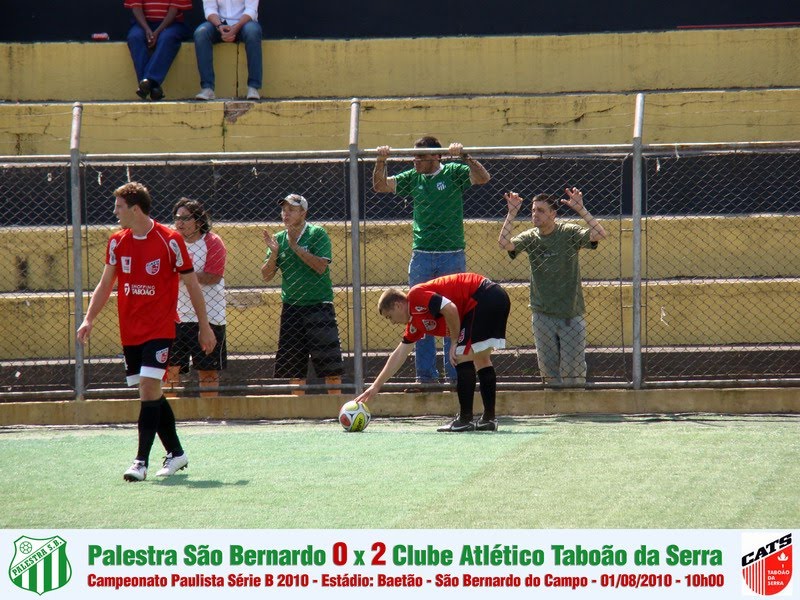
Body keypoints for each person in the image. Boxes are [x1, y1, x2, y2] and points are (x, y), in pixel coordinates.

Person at [77, 182, 216, 482]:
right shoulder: (116, 242)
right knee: (153, 392)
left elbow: (192, 285)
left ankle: (140, 461)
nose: (114, 212)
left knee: (148, 390)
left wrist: (205, 326)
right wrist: (88, 318)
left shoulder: (170, 240)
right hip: (131, 330)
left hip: (160, 328)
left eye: (119, 207)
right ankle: (176, 453)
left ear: (135, 209)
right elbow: (105, 285)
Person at [372, 136, 491, 385]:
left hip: (451, 254)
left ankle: (456, 376)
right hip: (422, 255)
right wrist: (381, 161)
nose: (415, 161)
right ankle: (425, 377)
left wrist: (464, 156)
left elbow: (483, 178)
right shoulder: (412, 178)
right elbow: (380, 186)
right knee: (418, 315)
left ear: (436, 157)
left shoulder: (454, 172)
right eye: (414, 156)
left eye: (421, 157)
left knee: (453, 314)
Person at [354, 272, 510, 432]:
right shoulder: (415, 322)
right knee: (481, 359)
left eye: (389, 316)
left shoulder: (416, 295)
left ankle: (465, 420)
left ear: (397, 305)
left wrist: (454, 342)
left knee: (461, 356)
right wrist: (376, 386)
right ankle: (488, 419)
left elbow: (450, 308)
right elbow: (400, 353)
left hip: (483, 296)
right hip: (495, 296)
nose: (392, 322)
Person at [498, 187, 607, 387]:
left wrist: (581, 210)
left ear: (553, 214)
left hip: (570, 313)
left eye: (541, 210)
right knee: (548, 371)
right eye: (533, 210)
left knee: (573, 370)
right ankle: (555, 409)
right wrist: (512, 212)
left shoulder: (568, 232)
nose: (535, 214)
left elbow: (599, 234)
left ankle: (575, 407)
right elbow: (504, 243)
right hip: (542, 313)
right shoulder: (530, 237)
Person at [261, 194, 344, 394]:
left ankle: (338, 407)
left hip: (319, 305)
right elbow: (266, 276)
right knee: (294, 369)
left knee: (330, 367)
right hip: (291, 308)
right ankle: (297, 411)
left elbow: (321, 266)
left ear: (303, 213)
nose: (286, 213)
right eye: (284, 209)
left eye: (291, 209)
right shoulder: (278, 239)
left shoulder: (317, 234)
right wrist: (274, 253)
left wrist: (295, 247)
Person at [166, 198, 228, 398]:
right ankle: (170, 415)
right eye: (177, 218)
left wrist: (183, 274)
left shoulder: (212, 242)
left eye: (185, 218)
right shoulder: (171, 242)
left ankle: (210, 416)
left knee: (207, 371)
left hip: (210, 315)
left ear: (199, 221)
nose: (180, 223)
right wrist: (189, 275)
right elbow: (165, 275)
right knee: (171, 369)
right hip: (177, 315)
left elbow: (213, 276)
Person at [193, 0, 263, 100]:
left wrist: (236, 28)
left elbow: (251, 9)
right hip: (219, 24)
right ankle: (207, 88)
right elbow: (209, 8)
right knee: (201, 33)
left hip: (244, 24)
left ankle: (253, 87)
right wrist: (219, 25)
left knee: (253, 32)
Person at [124, 0, 193, 101]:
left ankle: (149, 81)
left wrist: (157, 32)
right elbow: (136, 8)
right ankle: (151, 86)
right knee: (135, 37)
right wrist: (147, 29)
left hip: (172, 24)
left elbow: (174, 10)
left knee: (167, 38)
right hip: (143, 23)